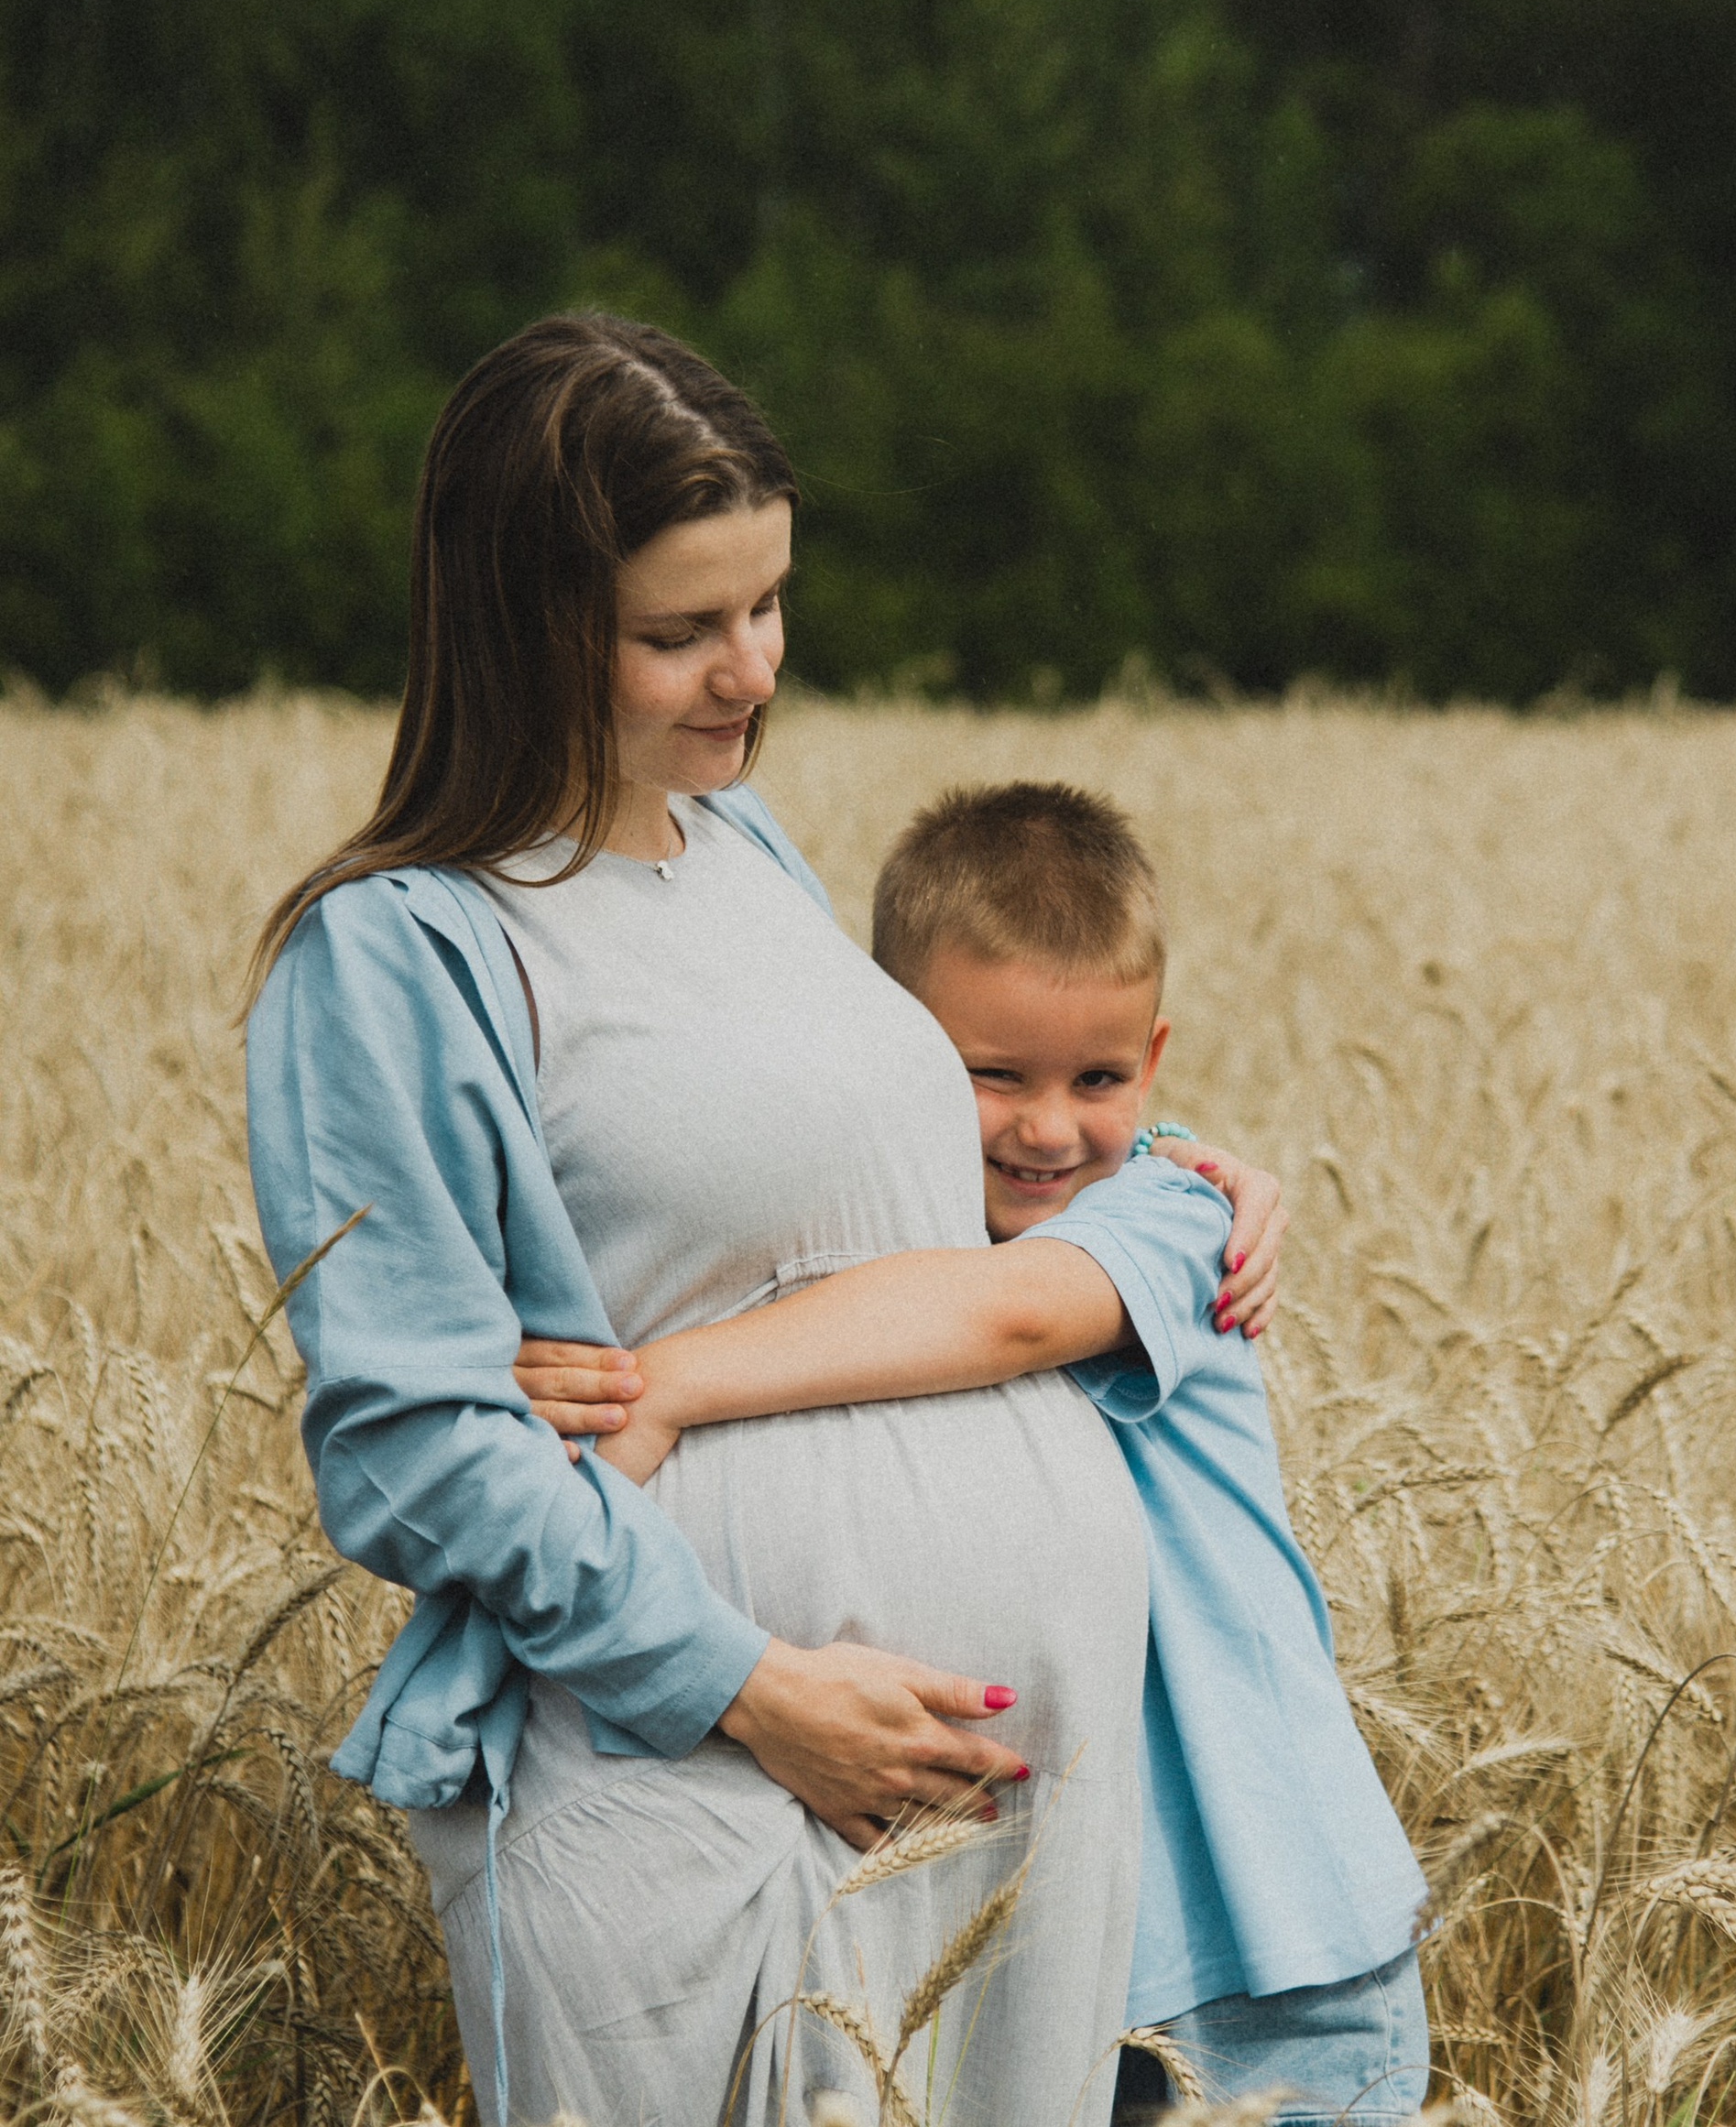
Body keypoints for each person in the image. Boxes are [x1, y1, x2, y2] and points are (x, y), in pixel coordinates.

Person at [242, 315, 1286, 2127]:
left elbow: (880, 1177)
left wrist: (1163, 1180)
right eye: (679, 630)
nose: (752, 670)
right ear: (522, 624)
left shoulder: (742, 847)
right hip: (697, 1781)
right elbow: (414, 1440)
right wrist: (746, 1682)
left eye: (769, 602)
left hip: (992, 1804)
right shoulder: (402, 952)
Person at [515, 782, 1430, 2125]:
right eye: (992, 1073)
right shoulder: (875, 1248)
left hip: (1266, 1955)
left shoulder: (1174, 1217)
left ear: (1155, 1057)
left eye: (1100, 1080)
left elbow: (1009, 1315)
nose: (1050, 1128)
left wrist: (662, 1388)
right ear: (887, 1047)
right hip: (1039, 1967)